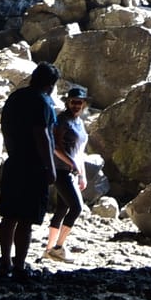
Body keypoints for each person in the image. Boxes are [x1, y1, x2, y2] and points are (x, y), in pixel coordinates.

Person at [0, 61, 61, 278]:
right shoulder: (43, 102)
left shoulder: (15, 97)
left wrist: (12, 150)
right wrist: (50, 168)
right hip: (33, 167)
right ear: (51, 83)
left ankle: (5, 262)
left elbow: (4, 126)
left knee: (9, 216)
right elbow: (42, 135)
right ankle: (20, 266)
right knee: (25, 219)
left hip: (14, 161)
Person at [43, 87, 90, 261]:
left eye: (79, 102)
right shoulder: (62, 120)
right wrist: (72, 164)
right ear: (67, 102)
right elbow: (55, 147)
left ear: (84, 104)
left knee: (62, 209)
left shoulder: (80, 122)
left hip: (72, 171)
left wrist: (82, 174)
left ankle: (48, 250)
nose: (77, 105)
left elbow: (80, 151)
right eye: (73, 102)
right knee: (76, 207)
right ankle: (59, 247)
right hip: (62, 171)